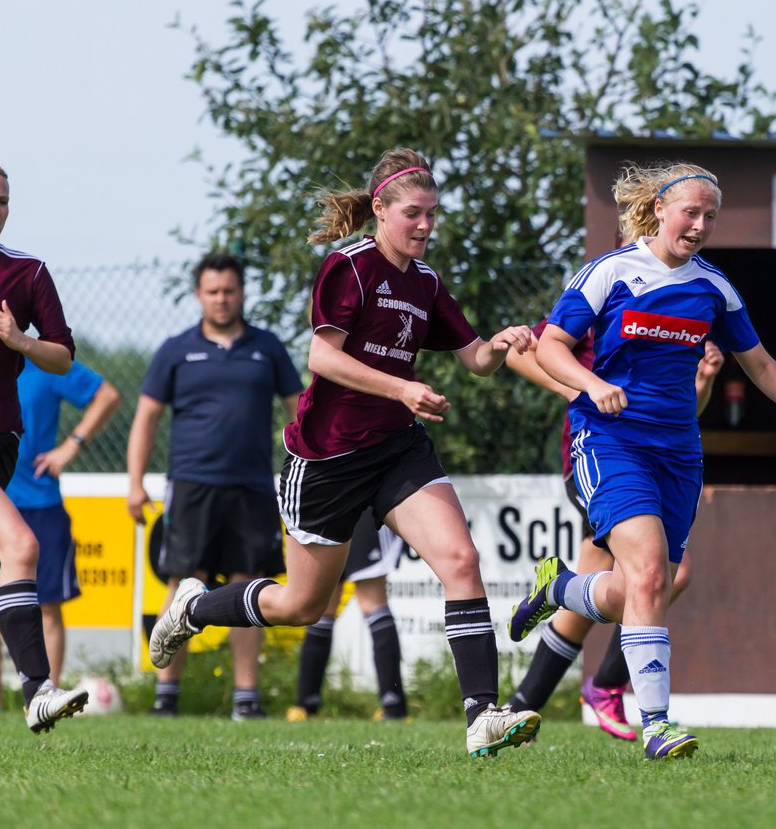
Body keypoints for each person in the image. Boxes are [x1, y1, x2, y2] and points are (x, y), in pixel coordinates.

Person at [146, 149, 541, 757]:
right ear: (380, 210)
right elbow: (321, 358)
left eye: (433, 214)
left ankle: (482, 715)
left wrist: (503, 344)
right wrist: (404, 386)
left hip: (396, 450)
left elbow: (475, 360)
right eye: (414, 213)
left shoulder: (426, 282)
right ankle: (196, 608)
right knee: (300, 605)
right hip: (326, 459)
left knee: (461, 559)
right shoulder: (348, 267)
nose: (426, 226)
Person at [508, 162, 776, 760]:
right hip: (610, 443)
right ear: (658, 210)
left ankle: (563, 588)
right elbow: (550, 345)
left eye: (710, 217)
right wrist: (589, 385)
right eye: (690, 213)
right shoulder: (610, 272)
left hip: (679, 453)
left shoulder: (715, 288)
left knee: (647, 584)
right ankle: (656, 724)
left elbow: (759, 364)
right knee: (651, 572)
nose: (699, 225)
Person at [504, 321, 722, 741]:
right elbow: (520, 352)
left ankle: (524, 704)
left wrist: (705, 381)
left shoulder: (677, 316)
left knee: (620, 588)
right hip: (602, 458)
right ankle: (609, 689)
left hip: (653, 465)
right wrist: (575, 388)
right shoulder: (603, 291)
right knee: (656, 576)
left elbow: (685, 410)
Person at [127, 253, 303, 720]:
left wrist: (313, 467)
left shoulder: (267, 347)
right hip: (192, 486)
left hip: (252, 488)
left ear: (241, 292)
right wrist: (134, 483)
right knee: (184, 585)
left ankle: (247, 699)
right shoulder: (175, 349)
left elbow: (298, 410)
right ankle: (166, 695)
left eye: (229, 290)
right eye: (213, 291)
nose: (222, 299)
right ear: (199, 294)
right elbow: (146, 418)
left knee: (251, 588)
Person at [0, 158, 89, 731]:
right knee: (20, 546)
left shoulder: (28, 274)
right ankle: (38, 692)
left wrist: (20, 340)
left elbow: (63, 357)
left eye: (3, 201)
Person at [0, 358, 121, 708]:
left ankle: (47, 696)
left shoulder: (44, 362)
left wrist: (71, 445)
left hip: (40, 503)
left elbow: (107, 395)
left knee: (47, 604)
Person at [286, 508, 410, 722]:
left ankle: (394, 705)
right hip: (329, 506)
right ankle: (305, 704)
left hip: (365, 506)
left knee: (373, 602)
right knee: (320, 606)